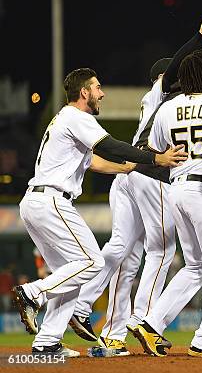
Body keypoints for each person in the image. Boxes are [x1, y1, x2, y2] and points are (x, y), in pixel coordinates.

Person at [71, 15, 202, 355]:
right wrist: (199, 37)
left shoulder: (158, 101)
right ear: (162, 76)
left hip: (128, 175)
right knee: (161, 251)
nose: (178, 76)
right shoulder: (164, 91)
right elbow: (173, 76)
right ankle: (143, 321)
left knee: (124, 251)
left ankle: (94, 318)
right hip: (151, 174)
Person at [12, 67, 186, 357]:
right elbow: (110, 146)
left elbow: (95, 161)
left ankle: (47, 342)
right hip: (52, 200)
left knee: (70, 274)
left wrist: (128, 167)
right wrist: (156, 158)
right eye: (97, 87)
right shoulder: (75, 116)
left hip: (38, 201)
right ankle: (33, 293)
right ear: (84, 92)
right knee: (91, 261)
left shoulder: (64, 119)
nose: (101, 93)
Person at [133, 50, 202, 358]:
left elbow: (152, 151)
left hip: (176, 188)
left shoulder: (167, 108)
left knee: (196, 266)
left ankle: (151, 324)